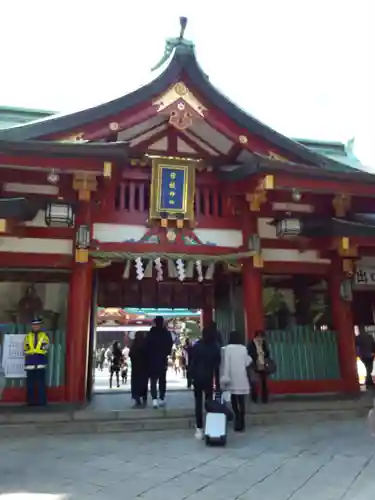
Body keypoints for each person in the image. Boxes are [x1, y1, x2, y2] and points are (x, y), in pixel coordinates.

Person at [188, 327, 221, 439]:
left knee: (198, 403)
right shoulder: (215, 347)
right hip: (208, 377)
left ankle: (199, 428)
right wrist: (218, 383)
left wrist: (190, 377)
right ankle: (211, 426)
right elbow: (217, 365)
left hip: (197, 377)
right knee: (209, 402)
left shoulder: (197, 346)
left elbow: (192, 362)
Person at [221, 330, 251, 432]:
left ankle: (236, 418)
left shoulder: (227, 349)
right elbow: (247, 362)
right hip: (242, 376)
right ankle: (242, 420)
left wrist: (225, 376)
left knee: (234, 399)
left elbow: (226, 364)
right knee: (242, 401)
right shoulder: (243, 348)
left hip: (232, 377)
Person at [145, 316, 173, 408]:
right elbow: (170, 345)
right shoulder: (167, 334)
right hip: (162, 358)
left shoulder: (151, 333)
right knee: (162, 379)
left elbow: (147, 346)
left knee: (153, 380)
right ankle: (161, 397)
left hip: (151, 359)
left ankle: (154, 399)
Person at [23, 318, 50, 406]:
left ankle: (41, 401)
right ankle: (30, 402)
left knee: (41, 383)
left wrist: (36, 351)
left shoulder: (44, 336)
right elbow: (25, 348)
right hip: (30, 361)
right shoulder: (28, 336)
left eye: (37, 325)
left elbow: (46, 347)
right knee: (30, 384)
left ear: (39, 326)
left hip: (40, 361)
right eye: (34, 325)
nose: (35, 326)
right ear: (32, 326)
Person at [247, 330, 270, 404]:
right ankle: (255, 397)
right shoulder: (251, 344)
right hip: (254, 365)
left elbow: (267, 353)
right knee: (254, 383)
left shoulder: (263, 344)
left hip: (262, 364)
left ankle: (264, 398)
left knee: (263, 382)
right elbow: (249, 354)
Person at [129, 331, 148, 407]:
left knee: (136, 384)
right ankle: (144, 397)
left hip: (136, 369)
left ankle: (137, 399)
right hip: (144, 368)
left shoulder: (135, 344)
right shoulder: (146, 344)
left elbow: (131, 354)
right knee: (144, 383)